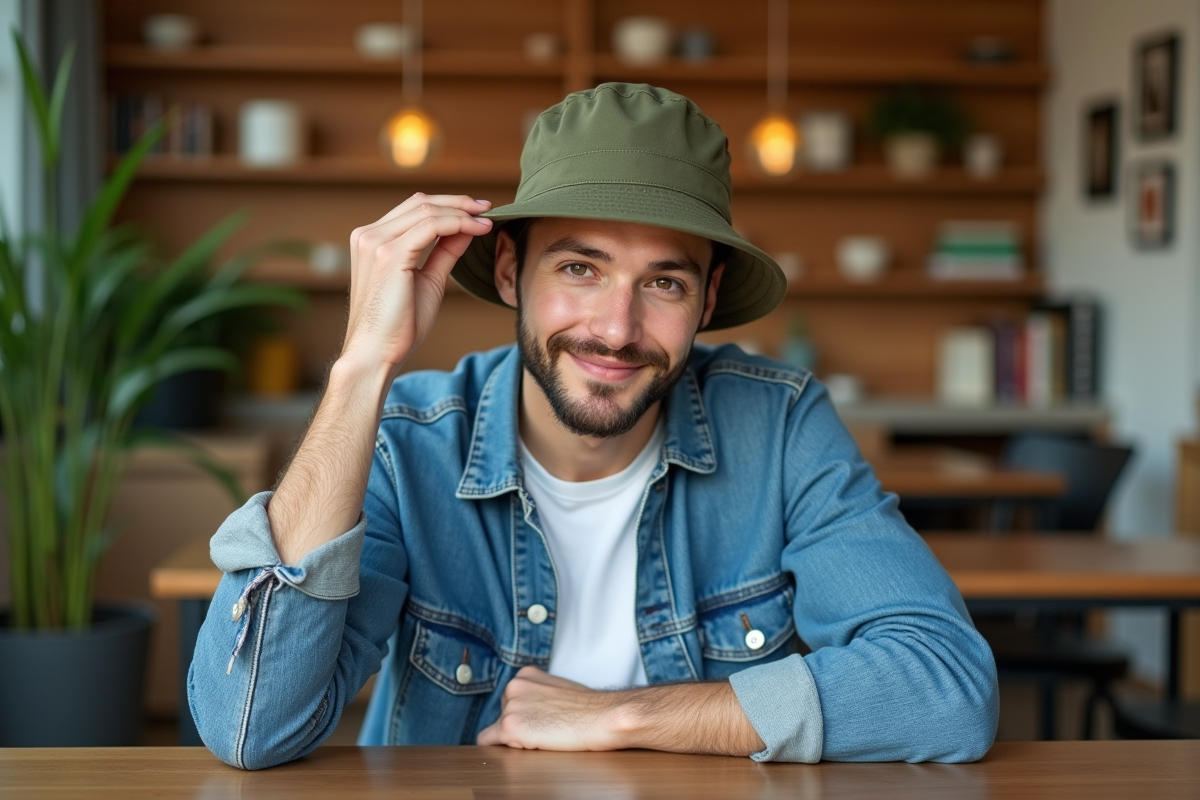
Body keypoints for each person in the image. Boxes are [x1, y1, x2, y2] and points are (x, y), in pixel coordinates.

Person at [188, 83, 998, 770]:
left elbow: (946, 687)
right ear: (511, 273)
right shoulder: (410, 442)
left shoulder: (779, 424)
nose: (616, 328)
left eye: (665, 284)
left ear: (708, 304)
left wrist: (622, 718)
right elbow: (249, 726)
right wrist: (362, 365)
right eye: (580, 269)